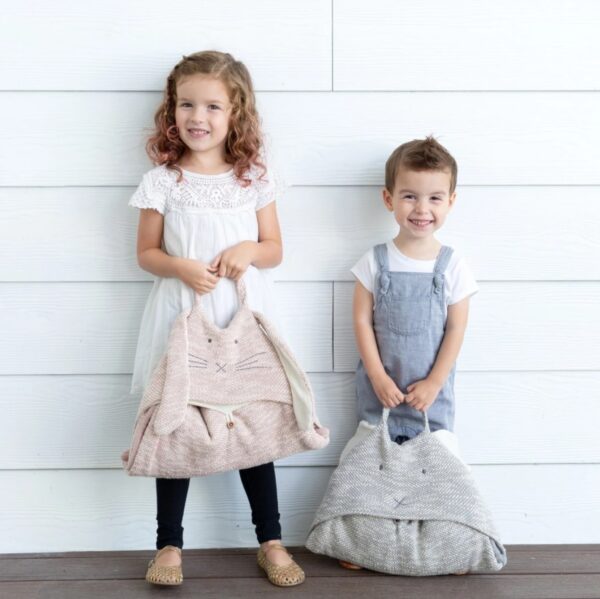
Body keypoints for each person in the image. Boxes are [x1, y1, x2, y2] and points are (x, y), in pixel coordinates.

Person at [127, 50, 304, 587]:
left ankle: (270, 539)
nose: (196, 117)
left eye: (212, 106)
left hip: (243, 322)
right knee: (176, 423)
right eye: (186, 104)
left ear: (236, 114)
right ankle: (168, 545)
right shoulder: (163, 181)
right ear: (171, 111)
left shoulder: (252, 180)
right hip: (183, 316)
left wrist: (249, 250)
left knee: (252, 427)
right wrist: (180, 267)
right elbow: (146, 254)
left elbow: (275, 249)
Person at [344, 136, 479, 569]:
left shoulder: (452, 265)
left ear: (451, 201)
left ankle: (452, 541)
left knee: (440, 469)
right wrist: (379, 377)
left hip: (431, 400)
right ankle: (358, 540)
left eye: (435, 197)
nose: (422, 209)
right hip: (380, 394)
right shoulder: (375, 261)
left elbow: (457, 327)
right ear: (389, 199)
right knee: (369, 467)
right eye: (410, 196)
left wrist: (435, 382)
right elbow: (361, 322)